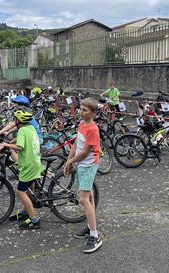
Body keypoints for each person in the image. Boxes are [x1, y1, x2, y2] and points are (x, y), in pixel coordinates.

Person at [64, 97, 103, 253]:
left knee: (83, 198)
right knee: (89, 196)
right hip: (81, 164)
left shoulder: (93, 129)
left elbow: (86, 151)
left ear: (93, 113)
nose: (81, 111)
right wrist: (69, 161)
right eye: (80, 108)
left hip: (88, 165)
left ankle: (95, 236)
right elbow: (75, 144)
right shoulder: (81, 124)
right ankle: (90, 226)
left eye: (85, 110)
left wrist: (71, 162)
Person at [0, 109, 43, 230]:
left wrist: (6, 145)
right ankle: (25, 212)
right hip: (35, 163)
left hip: (28, 166)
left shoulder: (23, 130)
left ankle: (34, 220)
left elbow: (20, 147)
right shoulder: (30, 128)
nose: (14, 121)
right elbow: (20, 139)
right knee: (29, 189)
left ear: (18, 121)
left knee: (21, 192)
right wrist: (9, 141)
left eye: (15, 119)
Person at [0, 95, 43, 161]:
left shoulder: (22, 117)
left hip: (34, 139)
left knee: (11, 147)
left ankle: (20, 166)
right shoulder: (26, 117)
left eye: (16, 104)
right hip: (33, 137)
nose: (14, 106)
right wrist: (8, 132)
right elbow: (17, 126)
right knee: (10, 144)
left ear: (21, 106)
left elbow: (11, 125)